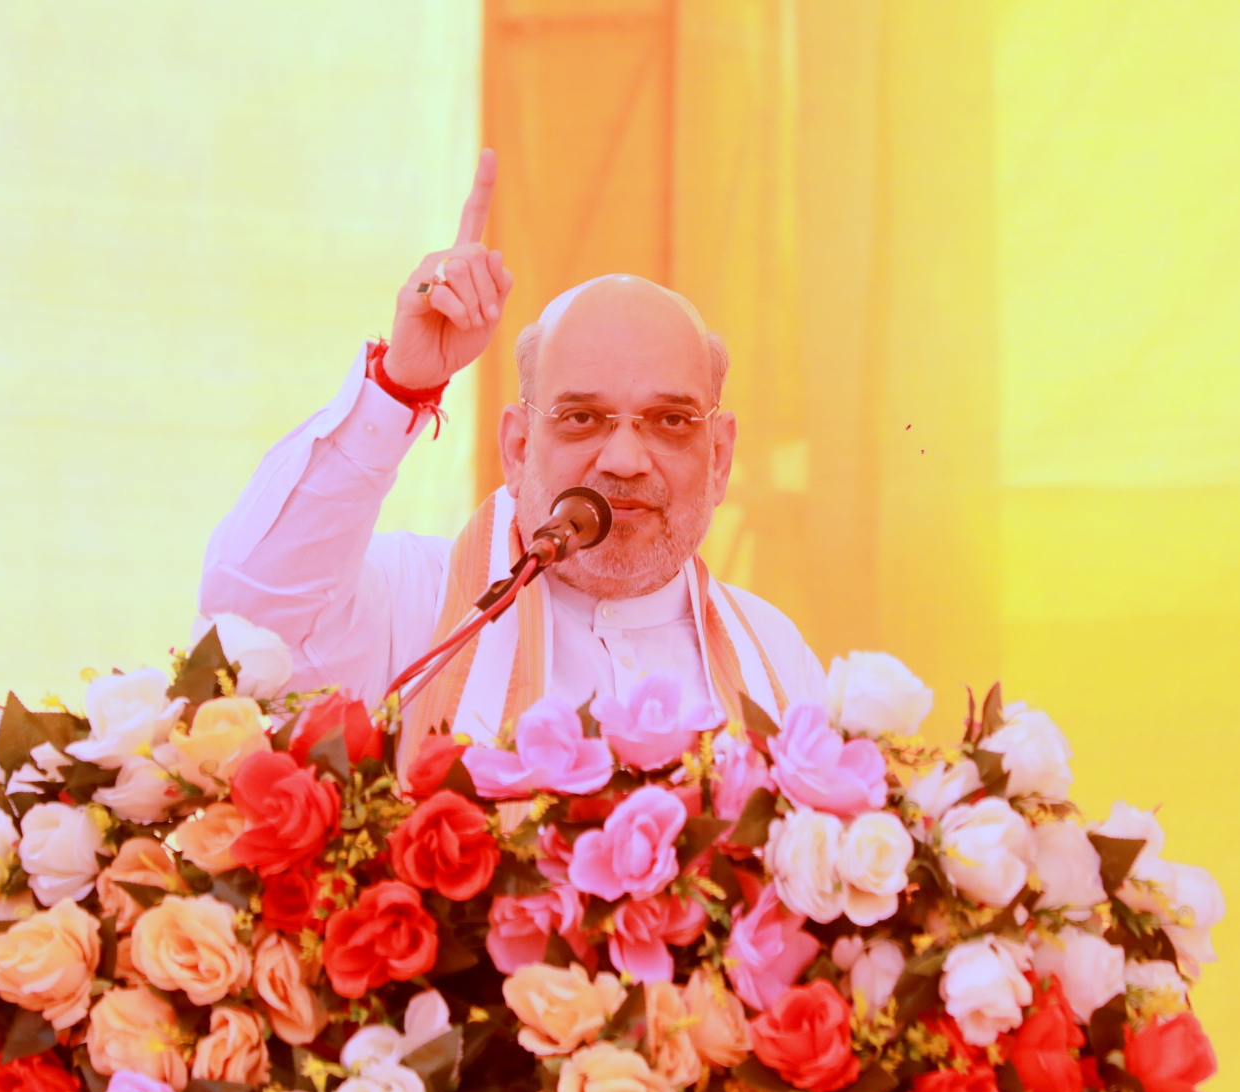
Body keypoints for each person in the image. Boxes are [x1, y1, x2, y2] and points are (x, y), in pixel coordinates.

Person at [200, 150, 824, 762]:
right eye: (582, 418)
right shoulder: (416, 602)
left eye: (670, 421)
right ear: (519, 449)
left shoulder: (774, 656)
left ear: (719, 458)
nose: (627, 459)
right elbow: (249, 623)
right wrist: (399, 386)